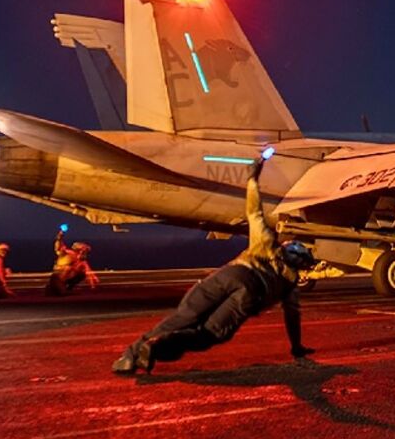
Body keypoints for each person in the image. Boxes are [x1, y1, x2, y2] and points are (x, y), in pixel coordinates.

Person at [112, 154, 316, 374]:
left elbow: (254, 212)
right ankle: (157, 347)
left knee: (183, 317)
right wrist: (296, 346)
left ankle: (129, 356)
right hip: (251, 291)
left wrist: (252, 179)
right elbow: (292, 316)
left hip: (230, 274)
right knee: (209, 334)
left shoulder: (266, 243)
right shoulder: (290, 282)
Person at [45, 228, 100, 296]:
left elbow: (88, 272)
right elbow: (58, 248)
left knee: (81, 274)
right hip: (57, 279)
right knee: (59, 292)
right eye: (84, 252)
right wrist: (60, 236)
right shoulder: (68, 254)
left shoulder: (81, 262)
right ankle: (59, 289)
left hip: (65, 280)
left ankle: (67, 289)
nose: (85, 254)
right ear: (79, 250)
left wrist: (93, 284)